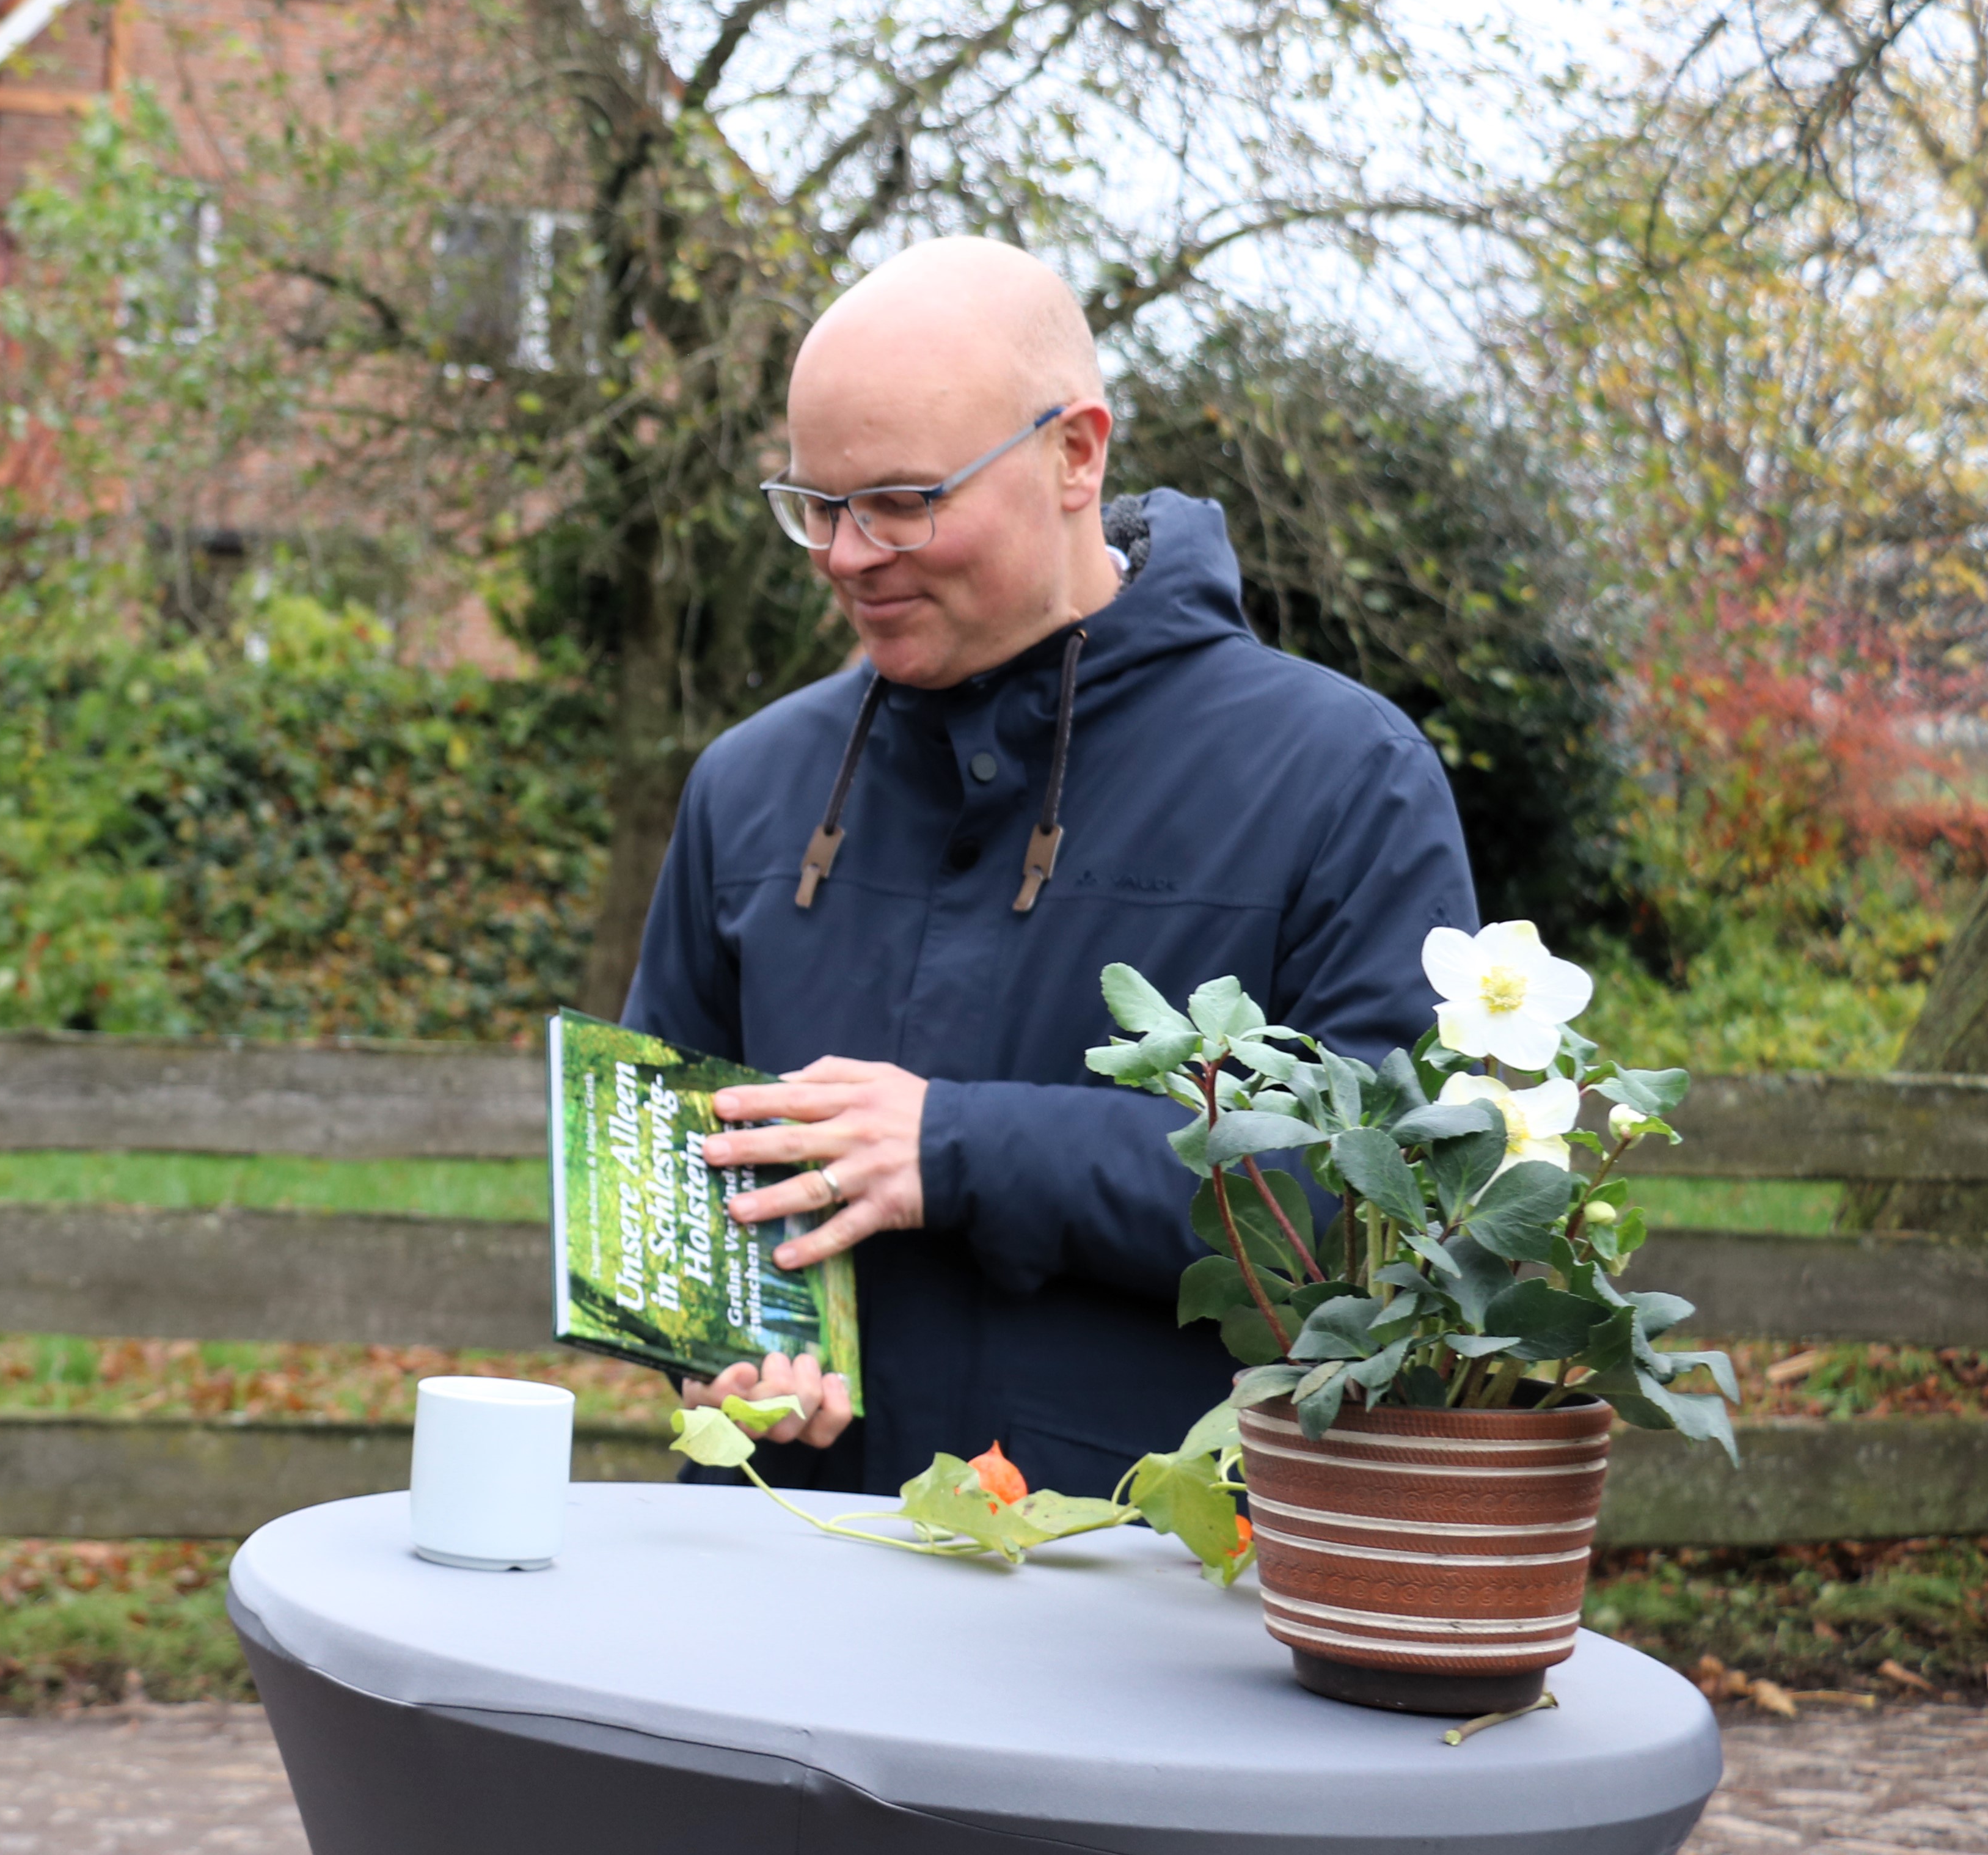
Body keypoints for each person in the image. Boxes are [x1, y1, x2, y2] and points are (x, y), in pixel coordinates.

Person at [621, 236, 1476, 1499]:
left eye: (906, 500)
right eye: (817, 504)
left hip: (1155, 1610)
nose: (850, 555)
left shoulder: (1343, 774)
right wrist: (720, 1346)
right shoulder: (749, 784)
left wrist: (961, 1147)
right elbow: (660, 1158)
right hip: (792, 1582)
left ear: (1075, 451)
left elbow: (1381, 1210)